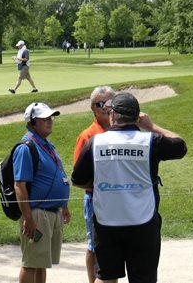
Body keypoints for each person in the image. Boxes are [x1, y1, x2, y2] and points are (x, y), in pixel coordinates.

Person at [72, 92, 187, 283]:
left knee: (105, 277)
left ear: (113, 115)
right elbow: (180, 146)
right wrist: (151, 127)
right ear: (137, 117)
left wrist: (103, 185)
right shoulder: (151, 141)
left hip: (106, 221)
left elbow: (77, 179)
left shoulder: (95, 143)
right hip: (143, 222)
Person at [13, 102, 71, 283]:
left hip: (52, 212)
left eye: (51, 117)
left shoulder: (47, 145)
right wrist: (29, 219)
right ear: (32, 122)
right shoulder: (26, 148)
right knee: (31, 263)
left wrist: (64, 205)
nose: (50, 121)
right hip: (37, 214)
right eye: (45, 118)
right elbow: (19, 186)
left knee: (42, 263)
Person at [72, 86, 115, 283]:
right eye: (100, 104)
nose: (106, 108)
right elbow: (78, 176)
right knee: (94, 244)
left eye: (109, 103)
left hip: (117, 197)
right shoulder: (87, 136)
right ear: (93, 108)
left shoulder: (121, 131)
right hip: (95, 197)